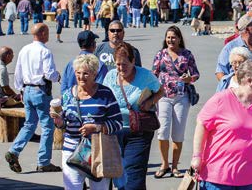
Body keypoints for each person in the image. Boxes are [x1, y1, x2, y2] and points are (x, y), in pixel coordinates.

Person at [191, 59, 252, 189]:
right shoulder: (221, 100)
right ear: (250, 80)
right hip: (219, 178)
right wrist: (197, 156)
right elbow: (202, 125)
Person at [52, 54, 123, 190]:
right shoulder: (68, 95)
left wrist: (96, 127)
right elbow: (64, 125)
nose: (81, 77)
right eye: (78, 73)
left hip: (98, 150)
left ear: (94, 74)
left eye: (86, 73)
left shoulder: (105, 94)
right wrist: (59, 121)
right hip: (71, 150)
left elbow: (118, 122)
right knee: (72, 187)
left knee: (100, 188)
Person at [103, 42, 164, 190]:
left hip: (139, 131)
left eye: (125, 64)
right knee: (118, 177)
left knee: (133, 177)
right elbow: (104, 97)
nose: (121, 68)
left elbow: (161, 91)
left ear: (133, 61)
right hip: (114, 132)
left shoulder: (145, 76)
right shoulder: (111, 76)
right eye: (118, 64)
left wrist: (150, 102)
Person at [4, 23, 62, 173]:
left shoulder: (25, 49)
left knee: (29, 124)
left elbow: (18, 72)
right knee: (47, 126)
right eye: (47, 32)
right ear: (42, 33)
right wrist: (58, 77)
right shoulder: (45, 51)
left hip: (27, 89)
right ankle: (43, 162)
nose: (48, 35)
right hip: (40, 91)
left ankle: (14, 151)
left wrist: (21, 89)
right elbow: (49, 74)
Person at [152, 26, 200, 179]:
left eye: (173, 37)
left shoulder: (187, 55)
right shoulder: (160, 54)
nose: (170, 40)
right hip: (163, 97)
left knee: (178, 133)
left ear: (179, 38)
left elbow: (196, 74)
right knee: (162, 131)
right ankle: (164, 164)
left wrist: (189, 79)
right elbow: (153, 74)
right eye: (168, 37)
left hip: (181, 97)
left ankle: (175, 166)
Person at [215, 11, 252, 82]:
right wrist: (232, 88)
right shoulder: (230, 47)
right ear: (247, 29)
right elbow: (220, 72)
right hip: (238, 91)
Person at [61, 30, 108, 95]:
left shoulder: (71, 63)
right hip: (91, 101)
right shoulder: (99, 65)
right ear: (93, 44)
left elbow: (64, 88)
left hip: (71, 100)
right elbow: (100, 88)